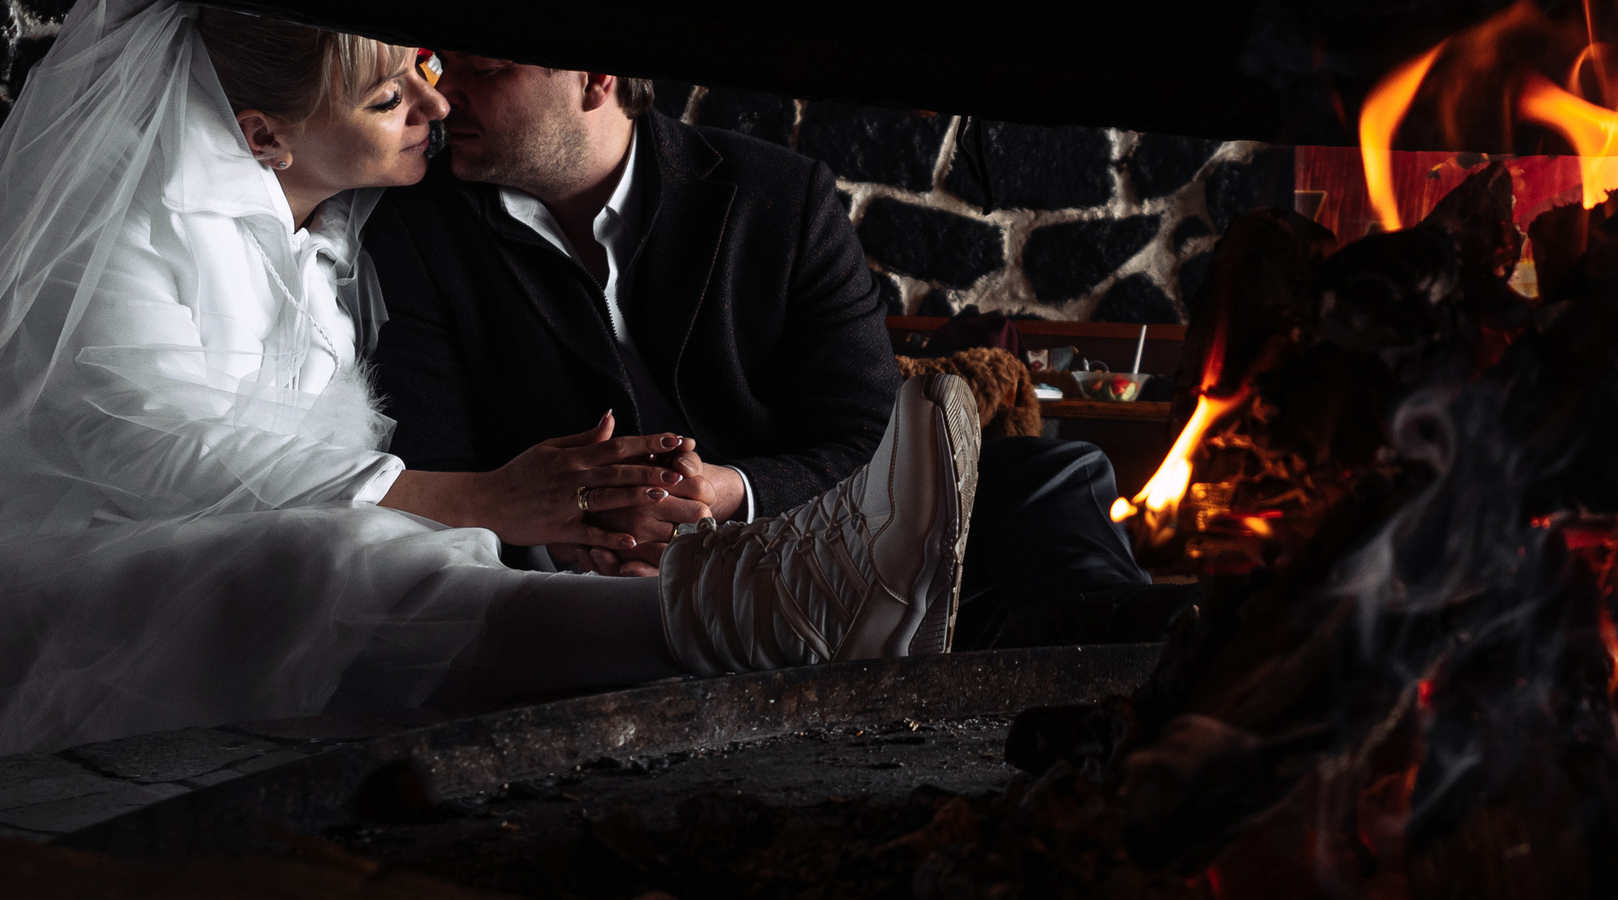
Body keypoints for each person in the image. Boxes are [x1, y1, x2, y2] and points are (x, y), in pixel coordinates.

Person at [0, 0, 977, 790]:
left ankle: (748, 607)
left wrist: (555, 509)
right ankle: (743, 622)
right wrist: (477, 495)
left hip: (222, 558)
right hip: (27, 590)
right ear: (263, 134)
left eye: (436, 73)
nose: (432, 100)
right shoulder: (127, 240)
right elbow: (147, 438)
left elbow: (842, 414)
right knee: (297, 567)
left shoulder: (343, 236)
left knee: (348, 558)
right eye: (392, 86)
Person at [362, 58, 1157, 638]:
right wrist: (590, 532)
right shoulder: (416, 228)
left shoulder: (778, 195)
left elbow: (872, 434)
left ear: (596, 77)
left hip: (806, 526)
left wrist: (729, 491)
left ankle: (1122, 658)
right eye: (441, 64)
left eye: (485, 69)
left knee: (1050, 473)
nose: (441, 95)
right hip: (591, 565)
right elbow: (441, 461)